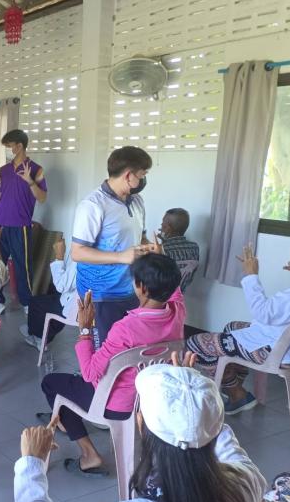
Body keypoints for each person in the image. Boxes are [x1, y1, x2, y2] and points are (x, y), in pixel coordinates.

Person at [14, 353, 266, 502]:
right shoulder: (247, 481)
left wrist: (31, 465)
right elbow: (215, 432)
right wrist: (192, 398)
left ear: (141, 424)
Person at [40, 253, 184, 477]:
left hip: (115, 405)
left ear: (142, 287)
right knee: (72, 388)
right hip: (149, 400)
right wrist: (162, 257)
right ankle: (65, 421)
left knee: (51, 383)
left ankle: (89, 454)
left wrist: (85, 329)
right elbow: (177, 293)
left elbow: (89, 373)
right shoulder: (177, 312)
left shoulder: (125, 328)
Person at [186, 243, 290, 415]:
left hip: (276, 351)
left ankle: (237, 393)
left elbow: (263, 313)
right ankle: (236, 387)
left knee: (194, 343)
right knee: (231, 327)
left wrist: (251, 275)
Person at [71, 146, 153, 348]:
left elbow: (139, 237)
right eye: (142, 175)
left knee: (127, 348)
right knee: (106, 352)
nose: (143, 180)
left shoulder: (137, 201)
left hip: (131, 289)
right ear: (128, 175)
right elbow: (77, 252)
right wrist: (121, 257)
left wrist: (149, 248)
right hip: (101, 294)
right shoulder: (92, 206)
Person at [0, 129, 47, 313]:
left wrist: (30, 181)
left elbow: (42, 198)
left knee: (22, 266)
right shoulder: (4, 170)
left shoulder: (36, 169)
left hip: (21, 225)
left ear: (19, 146)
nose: (8, 149)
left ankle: (27, 303)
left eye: (9, 146)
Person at [21, 234, 77, 350]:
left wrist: (59, 256)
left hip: (77, 308)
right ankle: (42, 331)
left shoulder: (83, 259)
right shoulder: (110, 254)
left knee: (35, 302)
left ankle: (39, 337)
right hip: (97, 307)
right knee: (51, 291)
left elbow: (61, 286)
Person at [157, 208, 200, 292]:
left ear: (168, 228)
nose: (161, 225)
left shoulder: (162, 249)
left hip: (159, 296)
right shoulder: (195, 247)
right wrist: (164, 241)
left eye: (163, 223)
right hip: (179, 295)